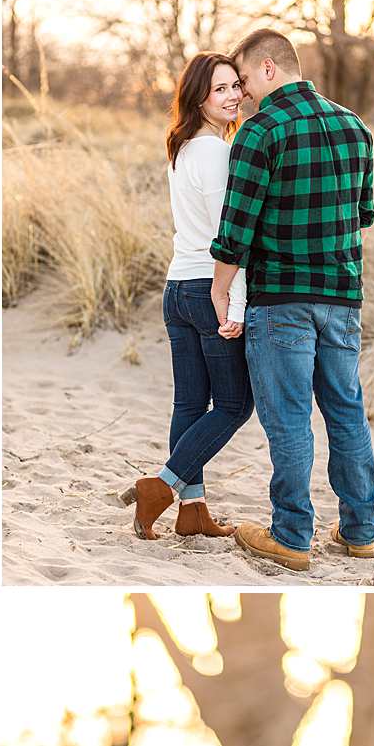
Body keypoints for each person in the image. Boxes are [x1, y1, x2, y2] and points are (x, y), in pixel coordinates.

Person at [210, 30, 374, 572]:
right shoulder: (356, 126)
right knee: (347, 413)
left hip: (282, 297)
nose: (244, 93)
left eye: (244, 80)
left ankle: (290, 535)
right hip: (342, 298)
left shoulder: (262, 130)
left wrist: (219, 284)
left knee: (287, 420)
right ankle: (360, 531)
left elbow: (237, 226)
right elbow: (365, 214)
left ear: (267, 67)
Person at [123, 55, 254, 542]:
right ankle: (162, 487)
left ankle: (193, 509)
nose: (232, 96)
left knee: (190, 403)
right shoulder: (217, 152)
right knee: (235, 405)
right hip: (207, 289)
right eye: (219, 89)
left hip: (177, 288)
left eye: (235, 86)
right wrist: (234, 302)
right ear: (198, 95)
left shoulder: (181, 148)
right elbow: (229, 235)